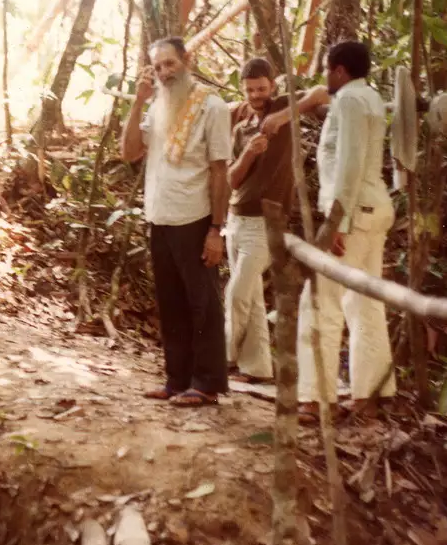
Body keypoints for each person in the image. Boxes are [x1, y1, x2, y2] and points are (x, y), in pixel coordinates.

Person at [121, 36, 231, 407]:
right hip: (160, 216)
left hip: (195, 217)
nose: (165, 72)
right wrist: (138, 102)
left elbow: (220, 171)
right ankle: (177, 380)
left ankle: (207, 383)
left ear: (187, 60)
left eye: (170, 63)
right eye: (158, 67)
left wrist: (216, 230)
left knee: (203, 303)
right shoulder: (157, 106)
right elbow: (129, 152)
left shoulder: (212, 106)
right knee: (171, 303)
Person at [296, 40, 396, 419]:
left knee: (321, 300)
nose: (325, 76)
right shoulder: (369, 98)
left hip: (354, 214)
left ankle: (316, 398)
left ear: (339, 70)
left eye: (327, 69)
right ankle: (369, 395)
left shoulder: (351, 101)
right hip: (372, 209)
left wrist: (337, 222)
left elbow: (350, 164)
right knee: (364, 302)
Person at [226, 57, 329, 383]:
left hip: (266, 223)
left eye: (261, 88)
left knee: (237, 293)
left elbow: (322, 92)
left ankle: (216, 358)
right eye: (250, 90)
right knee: (252, 297)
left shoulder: (283, 106)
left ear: (272, 85)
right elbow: (232, 180)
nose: (256, 95)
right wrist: (249, 152)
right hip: (236, 219)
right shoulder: (241, 127)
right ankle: (257, 368)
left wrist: (282, 117)